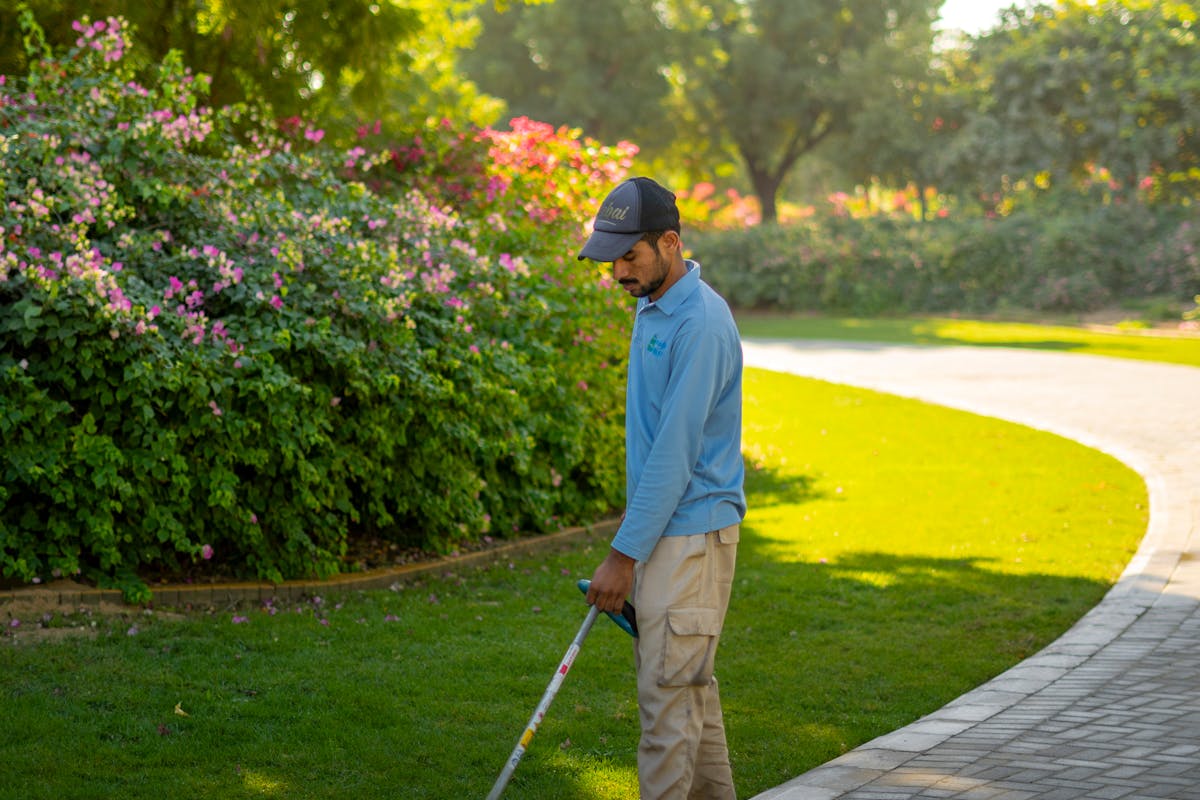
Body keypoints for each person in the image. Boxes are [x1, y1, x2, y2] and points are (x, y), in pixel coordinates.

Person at [578, 176, 746, 800]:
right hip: (667, 535)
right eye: (612, 258)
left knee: (666, 720)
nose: (619, 271)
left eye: (630, 255)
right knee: (689, 707)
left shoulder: (698, 324)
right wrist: (636, 547)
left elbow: (675, 454)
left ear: (670, 243)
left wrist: (622, 557)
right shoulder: (654, 306)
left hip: (692, 534)